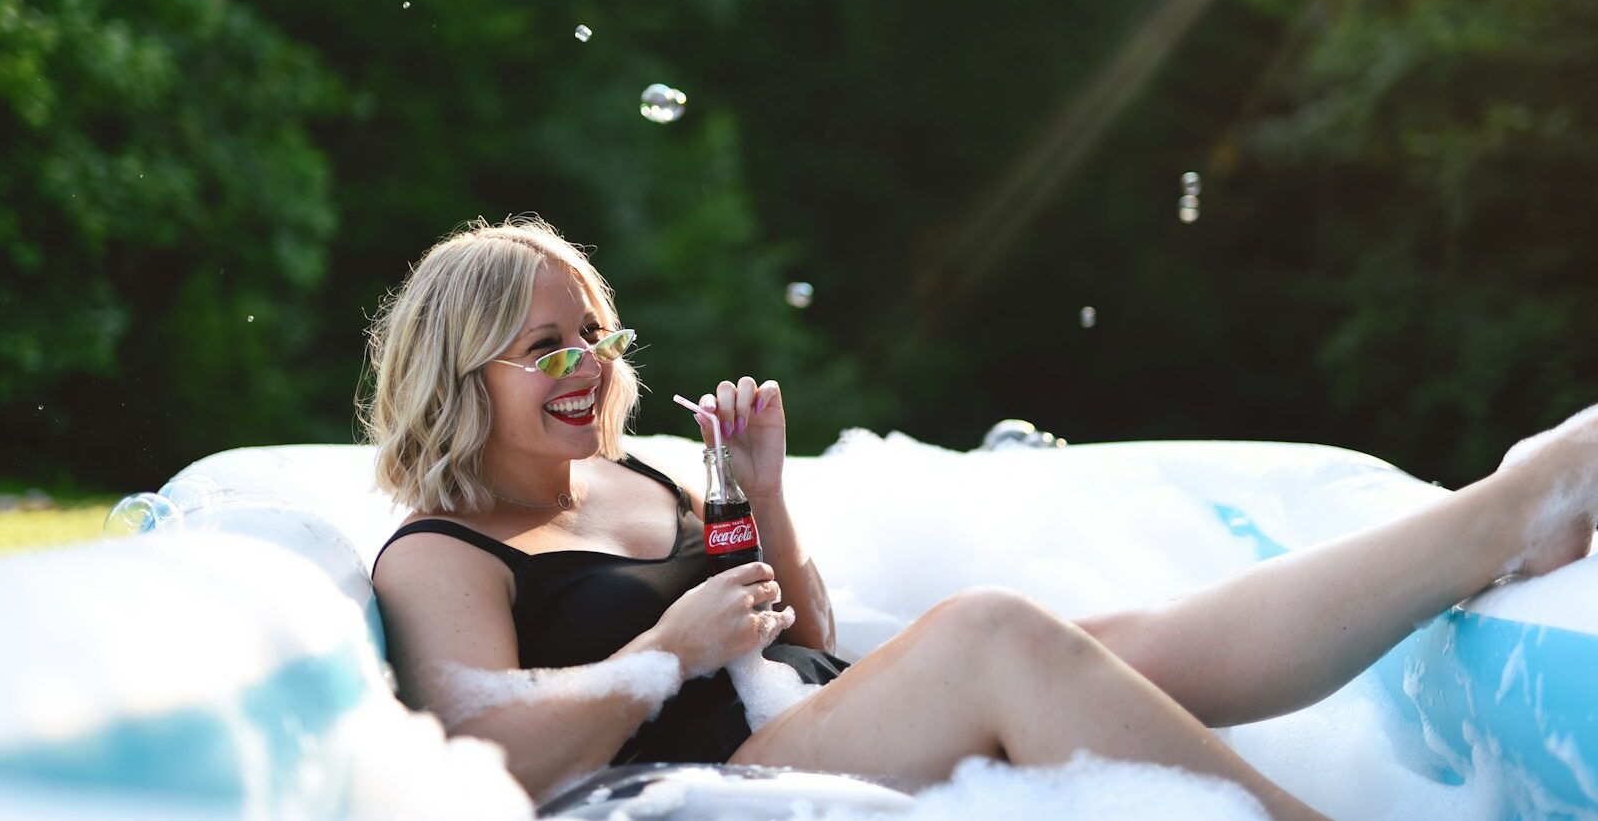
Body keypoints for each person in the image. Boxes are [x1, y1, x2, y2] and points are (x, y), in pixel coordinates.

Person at [364, 215, 1596, 820]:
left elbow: (798, 622)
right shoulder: (444, 549)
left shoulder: (634, 478)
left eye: (594, 333)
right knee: (995, 632)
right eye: (544, 346)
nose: (585, 362)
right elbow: (482, 771)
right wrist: (663, 652)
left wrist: (765, 495)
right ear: (457, 370)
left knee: (1115, 641)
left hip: (787, 722)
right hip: (690, 793)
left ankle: (1500, 516)